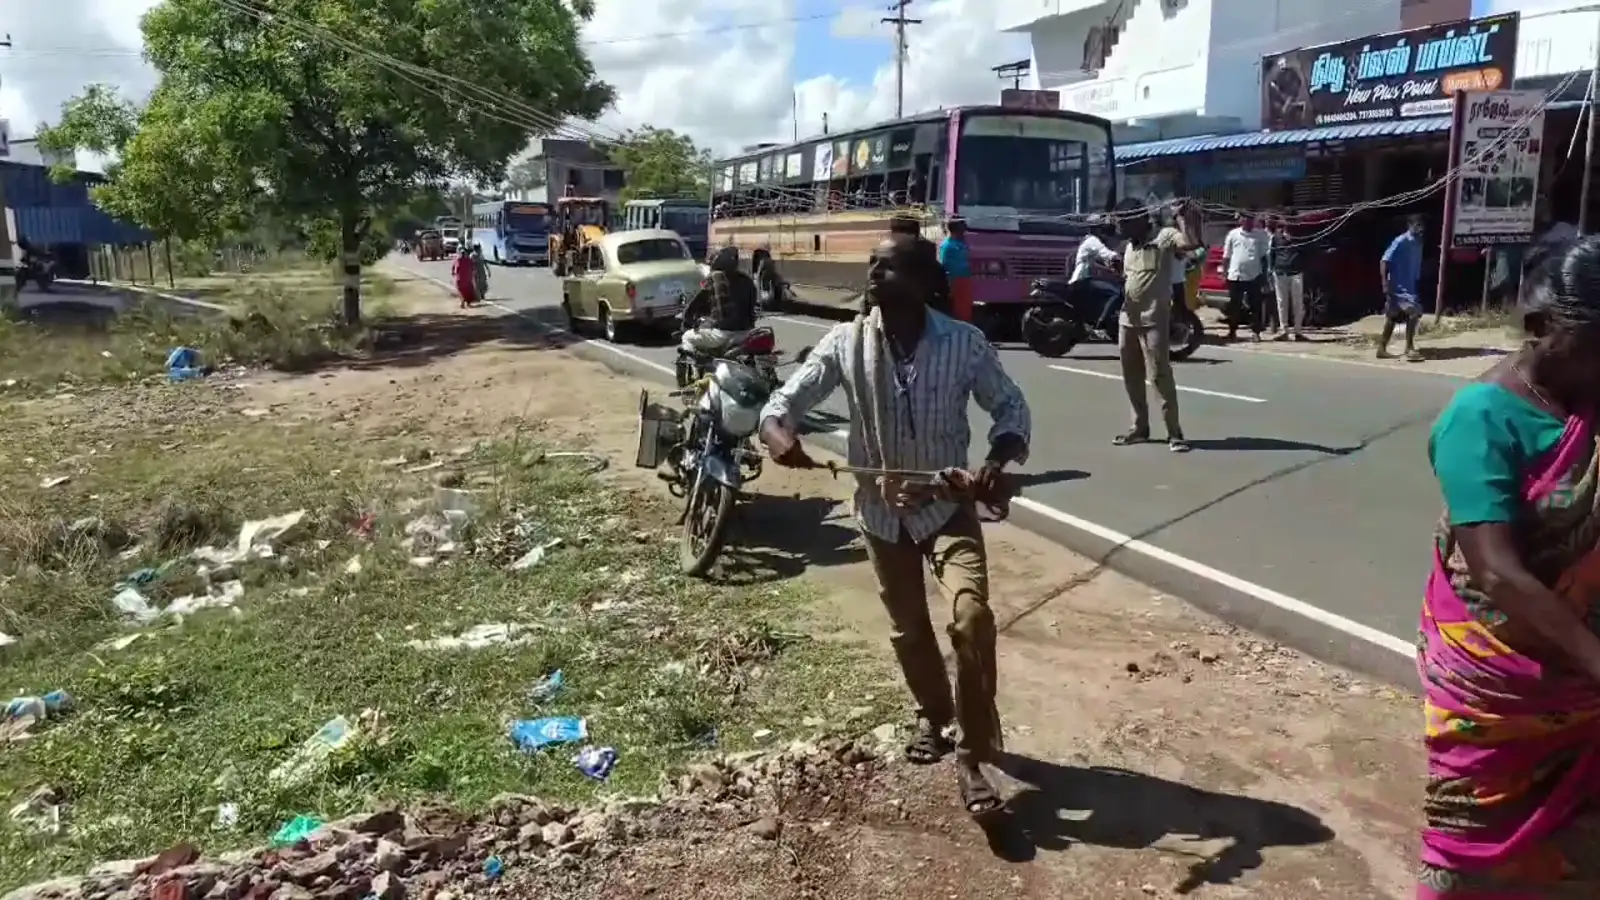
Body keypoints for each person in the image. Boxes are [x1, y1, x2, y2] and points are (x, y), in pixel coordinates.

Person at [758, 233, 1030, 821]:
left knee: (971, 616)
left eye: (889, 266)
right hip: (882, 515)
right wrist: (779, 435)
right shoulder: (845, 343)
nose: (874, 274)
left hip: (947, 508)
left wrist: (995, 461)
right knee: (909, 632)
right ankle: (935, 715)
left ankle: (972, 754)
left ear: (926, 282)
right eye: (873, 266)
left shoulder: (964, 343)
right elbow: (781, 405)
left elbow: (1010, 408)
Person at [1417, 236, 1600, 899]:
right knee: (1473, 854)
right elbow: (1496, 572)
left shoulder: (1589, 402)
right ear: (1542, 329)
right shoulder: (1483, 417)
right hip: (1502, 686)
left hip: (1582, 687)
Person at [1113, 197, 1203, 452]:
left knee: (1160, 375)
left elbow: (1191, 244)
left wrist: (1183, 217)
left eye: (1123, 223)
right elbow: (1131, 279)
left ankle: (1175, 434)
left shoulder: (1165, 237)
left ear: (1138, 220)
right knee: (1131, 376)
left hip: (1154, 318)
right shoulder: (1129, 247)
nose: (1119, 228)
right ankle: (1139, 429)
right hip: (1127, 318)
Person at [679, 245, 759, 356]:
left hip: (722, 334)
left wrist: (686, 319)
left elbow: (695, 303)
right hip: (746, 333)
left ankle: (701, 363)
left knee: (687, 337)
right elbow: (753, 304)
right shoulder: (747, 280)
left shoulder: (714, 277)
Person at [1378, 215, 1426, 362]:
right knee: (1414, 312)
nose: (1420, 228)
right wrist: (1385, 283)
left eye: (1421, 225)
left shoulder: (1418, 243)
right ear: (1409, 225)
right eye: (1417, 225)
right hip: (1398, 286)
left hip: (1410, 285)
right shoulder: (1400, 241)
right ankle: (1409, 347)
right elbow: (1384, 261)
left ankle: (1381, 349)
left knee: (1392, 316)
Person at [1221, 215, 1269, 341]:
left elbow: (1264, 257)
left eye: (1250, 219)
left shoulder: (1261, 235)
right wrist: (1224, 273)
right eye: (1245, 219)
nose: (1247, 221)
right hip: (1235, 275)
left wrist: (1264, 276)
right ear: (1240, 220)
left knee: (1255, 306)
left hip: (1254, 275)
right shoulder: (1233, 234)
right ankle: (1232, 331)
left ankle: (1256, 332)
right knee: (1234, 306)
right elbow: (1226, 256)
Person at [1267, 218, 1308, 341]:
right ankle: (1284, 330)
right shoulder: (1275, 238)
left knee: (1298, 303)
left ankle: (1297, 331)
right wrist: (1271, 270)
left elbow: (1306, 253)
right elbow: (1271, 254)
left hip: (1296, 273)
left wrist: (1302, 267)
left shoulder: (1299, 237)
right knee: (1281, 302)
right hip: (1280, 272)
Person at [939, 217, 973, 323]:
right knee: (959, 314)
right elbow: (944, 266)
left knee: (964, 312)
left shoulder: (959, 245)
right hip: (955, 282)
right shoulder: (948, 246)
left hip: (964, 282)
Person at [1071, 216, 1121, 284]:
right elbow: (1109, 254)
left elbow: (1100, 261)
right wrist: (1122, 258)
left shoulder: (1091, 240)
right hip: (1082, 281)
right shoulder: (1092, 241)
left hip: (1086, 280)